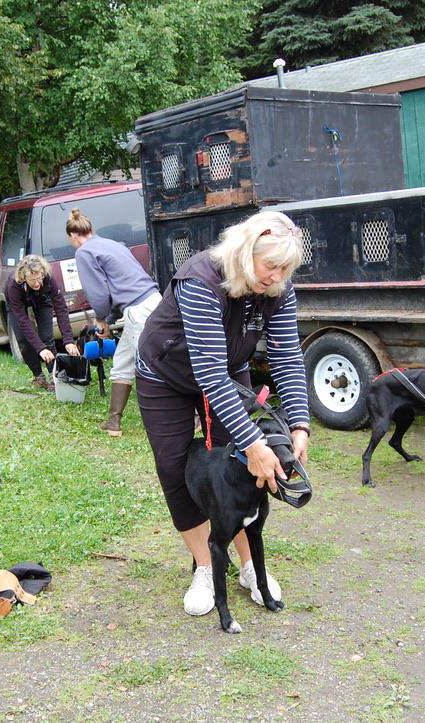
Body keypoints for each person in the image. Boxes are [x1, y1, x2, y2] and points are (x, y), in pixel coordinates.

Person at [136, 210, 311, 617]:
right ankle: (206, 564)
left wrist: (299, 424)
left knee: (239, 464)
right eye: (271, 266)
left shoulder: (278, 287)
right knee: (176, 464)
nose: (276, 277)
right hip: (167, 372)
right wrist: (254, 442)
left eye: (286, 268)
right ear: (245, 252)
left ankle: (251, 567)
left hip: (227, 369)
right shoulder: (201, 280)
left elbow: (287, 357)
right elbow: (208, 374)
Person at [66, 208, 162, 436]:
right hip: (150, 301)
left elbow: (99, 294)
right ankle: (113, 422)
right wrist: (108, 320)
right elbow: (120, 287)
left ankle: (192, 416)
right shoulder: (113, 244)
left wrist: (100, 318)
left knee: (155, 365)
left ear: (73, 235)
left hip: (138, 310)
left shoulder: (84, 252)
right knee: (122, 361)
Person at [6, 254, 80, 391]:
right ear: (24, 278)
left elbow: (61, 308)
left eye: (39, 278)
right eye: (32, 280)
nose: (37, 283)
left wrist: (68, 340)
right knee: (22, 339)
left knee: (47, 337)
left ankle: (53, 377)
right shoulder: (14, 285)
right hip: (17, 304)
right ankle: (38, 376)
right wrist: (40, 349)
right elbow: (22, 320)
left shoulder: (47, 278)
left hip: (42, 299)